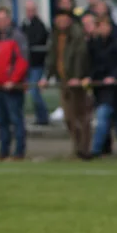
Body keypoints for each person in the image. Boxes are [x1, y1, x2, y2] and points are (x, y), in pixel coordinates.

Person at [42, 11, 90, 159]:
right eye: (59, 19)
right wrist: (46, 77)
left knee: (82, 117)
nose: (61, 22)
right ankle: (77, 147)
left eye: (64, 19)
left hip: (77, 83)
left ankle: (84, 149)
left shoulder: (77, 35)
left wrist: (77, 77)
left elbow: (81, 56)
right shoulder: (55, 37)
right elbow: (52, 58)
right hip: (63, 82)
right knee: (68, 118)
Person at [0, 8, 28, 161]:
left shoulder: (17, 37)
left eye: (3, 19)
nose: (0, 23)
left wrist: (14, 80)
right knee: (1, 121)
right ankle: (3, 151)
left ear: (9, 20)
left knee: (16, 119)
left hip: (11, 87)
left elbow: (23, 60)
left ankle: (19, 152)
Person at [87, 16, 117, 158]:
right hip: (101, 87)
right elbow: (93, 64)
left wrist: (114, 77)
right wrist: (90, 77)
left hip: (114, 87)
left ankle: (96, 150)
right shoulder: (95, 43)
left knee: (104, 116)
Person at [21, 1, 50, 126]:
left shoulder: (39, 25)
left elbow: (38, 39)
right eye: (27, 10)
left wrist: (27, 44)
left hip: (37, 63)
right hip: (27, 63)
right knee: (30, 91)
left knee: (34, 91)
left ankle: (43, 117)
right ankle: (40, 117)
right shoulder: (24, 24)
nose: (29, 12)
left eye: (31, 10)